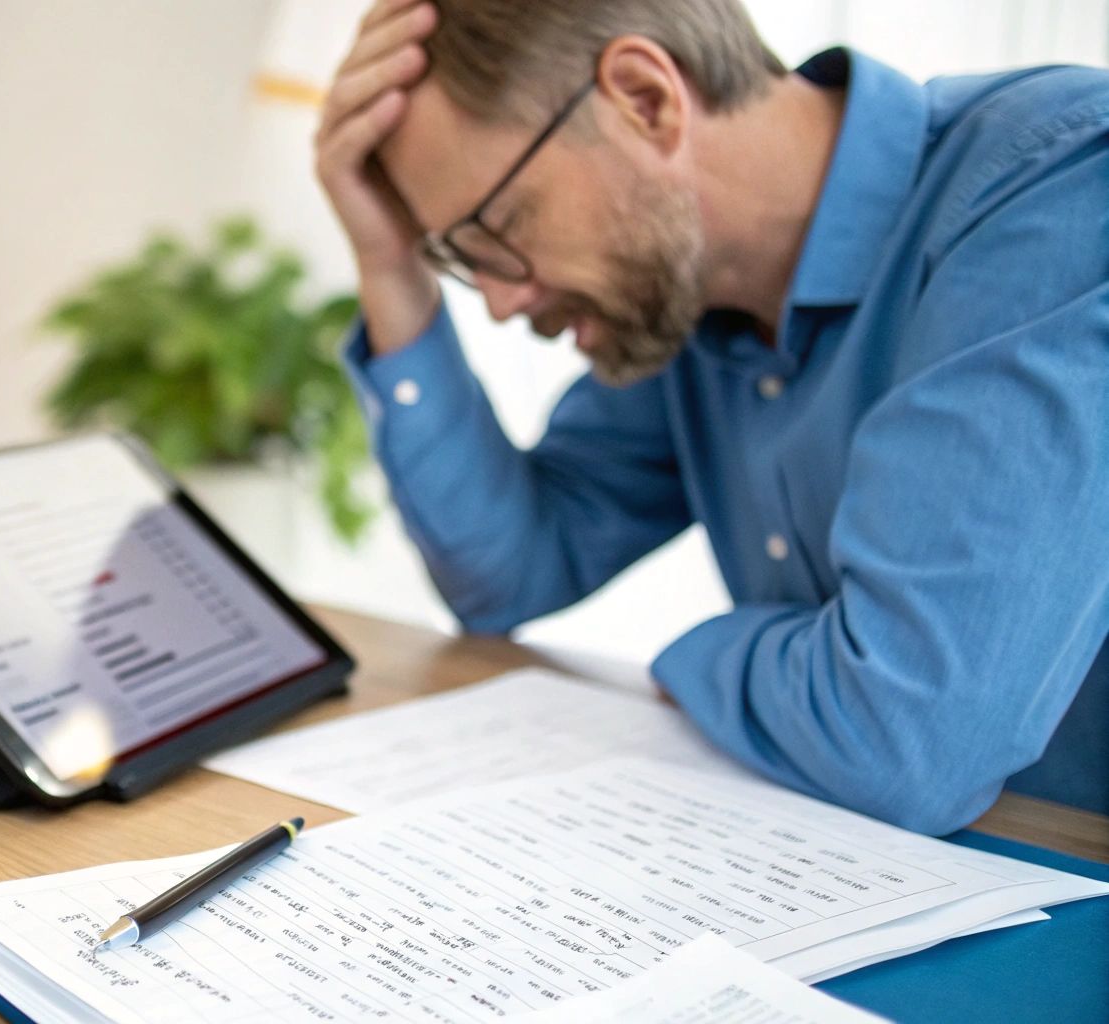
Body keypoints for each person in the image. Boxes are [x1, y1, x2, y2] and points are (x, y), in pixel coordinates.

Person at [315, 0, 1109, 834]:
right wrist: (390, 266)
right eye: (464, 262)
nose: (507, 302)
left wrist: (697, 653)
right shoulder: (689, 301)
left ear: (645, 100)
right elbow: (509, 572)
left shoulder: (1053, 186)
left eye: (501, 228)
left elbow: (906, 741)